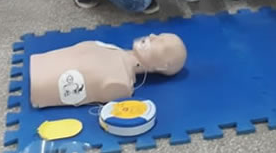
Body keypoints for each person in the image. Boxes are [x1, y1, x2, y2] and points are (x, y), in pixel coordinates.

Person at [29, 33, 187, 108]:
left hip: (39, 87)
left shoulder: (122, 84)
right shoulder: (114, 50)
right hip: (40, 63)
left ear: (162, 66)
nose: (152, 36)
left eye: (161, 42)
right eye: (159, 35)